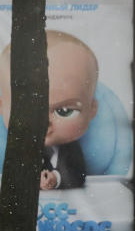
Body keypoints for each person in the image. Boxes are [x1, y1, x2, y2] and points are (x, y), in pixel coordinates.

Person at [0, 30, 98, 190]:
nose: (44, 124)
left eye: (65, 110)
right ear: (2, 107)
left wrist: (56, 178)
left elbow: (78, 175)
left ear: (92, 110)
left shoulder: (71, 149)